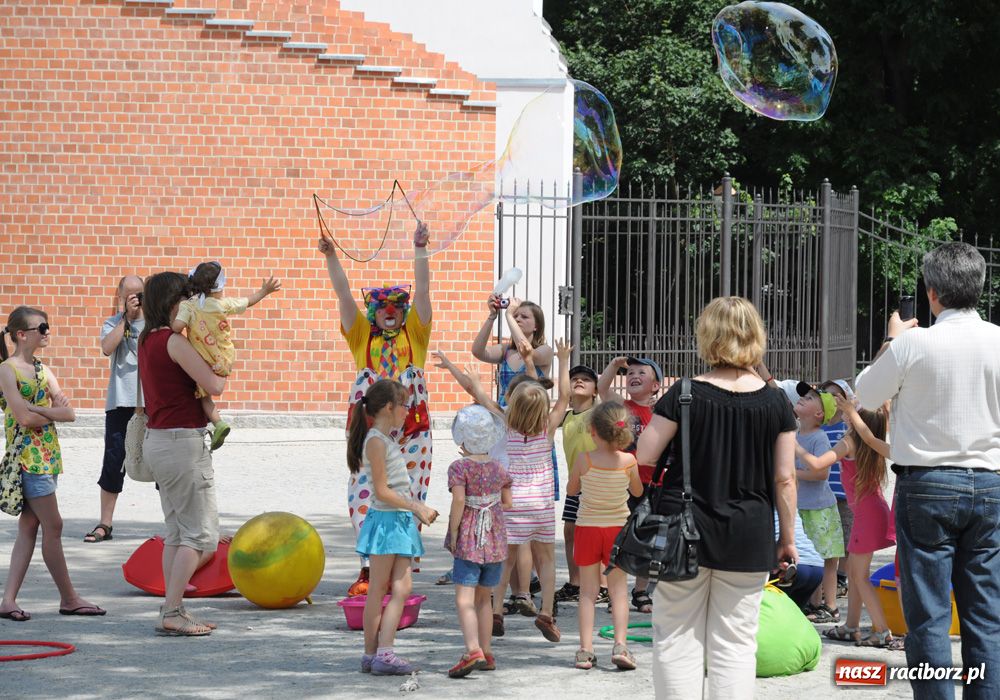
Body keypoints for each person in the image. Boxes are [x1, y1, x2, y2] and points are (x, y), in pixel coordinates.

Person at [856, 241, 1000, 700]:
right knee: (986, 616)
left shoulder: (914, 343)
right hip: (991, 480)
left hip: (928, 482)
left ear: (931, 292)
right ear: (979, 288)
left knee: (930, 617)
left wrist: (894, 340)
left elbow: (864, 392)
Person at [636, 296, 797, 699]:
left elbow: (645, 455)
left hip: (683, 531)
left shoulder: (684, 394)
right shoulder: (777, 402)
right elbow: (784, 479)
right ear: (755, 337)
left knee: (676, 636)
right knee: (736, 642)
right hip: (749, 531)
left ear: (706, 336)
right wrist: (788, 538)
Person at [319, 222, 434, 594]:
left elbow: (425, 292)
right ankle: (370, 569)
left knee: (410, 492)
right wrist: (331, 256)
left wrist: (420, 248)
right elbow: (342, 296)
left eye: (396, 307)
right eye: (382, 307)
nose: (390, 311)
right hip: (371, 430)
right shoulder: (360, 336)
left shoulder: (415, 333)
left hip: (412, 429)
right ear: (373, 312)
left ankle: (400, 567)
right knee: (364, 492)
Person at [435, 340, 572, 642]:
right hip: (541, 505)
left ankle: (496, 610)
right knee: (547, 559)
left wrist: (474, 382)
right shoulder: (547, 429)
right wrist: (563, 361)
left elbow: (483, 398)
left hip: (513, 505)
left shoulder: (507, 423)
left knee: (504, 560)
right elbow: (564, 396)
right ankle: (546, 611)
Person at [0, 307, 105, 622]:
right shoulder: (8, 370)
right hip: (29, 460)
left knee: (30, 527)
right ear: (22, 334)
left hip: (47, 458)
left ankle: (8, 601)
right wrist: (44, 409)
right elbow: (24, 417)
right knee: (54, 526)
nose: (47, 332)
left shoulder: (43, 370)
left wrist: (37, 408)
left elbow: (70, 414)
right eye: (41, 327)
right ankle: (69, 598)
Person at [139, 272, 226, 636]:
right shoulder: (173, 341)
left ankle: (172, 609)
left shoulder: (147, 340)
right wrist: (219, 350)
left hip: (159, 441)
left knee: (176, 532)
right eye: (185, 299)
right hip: (181, 443)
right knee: (199, 535)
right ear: (173, 303)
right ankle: (172, 610)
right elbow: (215, 384)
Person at [348, 379, 439, 676]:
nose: (407, 412)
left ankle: (376, 652)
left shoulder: (384, 440)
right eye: (404, 406)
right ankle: (378, 652)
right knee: (379, 589)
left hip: (397, 521)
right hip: (388, 521)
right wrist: (417, 507)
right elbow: (382, 490)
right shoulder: (375, 441)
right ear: (389, 407)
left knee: (401, 587)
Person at [797, 397, 898, 648]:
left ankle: (882, 630)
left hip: (866, 516)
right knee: (855, 574)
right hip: (873, 512)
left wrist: (794, 446)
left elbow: (818, 464)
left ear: (857, 419)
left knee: (858, 575)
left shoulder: (849, 441)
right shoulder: (866, 442)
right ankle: (851, 627)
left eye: (853, 409)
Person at [171, 262, 281, 451]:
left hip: (202, 360)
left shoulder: (188, 306)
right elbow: (247, 301)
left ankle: (218, 423)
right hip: (224, 358)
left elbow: (177, 328)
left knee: (203, 398)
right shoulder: (223, 304)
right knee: (206, 394)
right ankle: (215, 423)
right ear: (218, 287)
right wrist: (265, 291)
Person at [566, 401, 643, 671]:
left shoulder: (584, 460)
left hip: (587, 529)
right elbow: (636, 492)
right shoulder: (629, 461)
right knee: (619, 592)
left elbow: (572, 490)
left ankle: (585, 651)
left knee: (587, 593)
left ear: (593, 431)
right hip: (617, 532)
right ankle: (620, 646)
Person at [444, 405, 510, 678]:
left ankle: (472, 650)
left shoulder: (459, 467)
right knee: (485, 598)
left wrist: (454, 530)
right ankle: (487, 650)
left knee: (464, 599)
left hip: (471, 538)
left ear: (462, 438)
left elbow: (459, 499)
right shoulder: (498, 467)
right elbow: (507, 502)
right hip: (494, 539)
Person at [597, 355, 663, 613]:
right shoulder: (621, 406)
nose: (633, 375)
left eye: (642, 373)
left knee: (646, 540)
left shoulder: (661, 413)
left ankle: (640, 592)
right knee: (620, 540)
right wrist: (614, 365)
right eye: (630, 372)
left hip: (653, 485)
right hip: (622, 483)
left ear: (656, 386)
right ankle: (617, 595)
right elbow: (602, 388)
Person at [85, 275, 145, 543]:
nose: (135, 299)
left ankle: (175, 522)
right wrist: (126, 318)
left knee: (163, 461)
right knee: (113, 461)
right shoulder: (113, 323)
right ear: (120, 297)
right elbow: (107, 348)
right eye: (129, 295)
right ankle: (105, 524)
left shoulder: (156, 322)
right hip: (121, 401)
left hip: (151, 402)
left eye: (139, 294)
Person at [791, 383, 844, 624]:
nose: (803, 397)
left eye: (811, 397)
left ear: (819, 414)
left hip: (820, 508)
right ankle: (813, 604)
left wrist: (792, 473)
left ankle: (830, 605)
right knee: (810, 555)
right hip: (801, 507)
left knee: (827, 557)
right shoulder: (794, 434)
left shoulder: (818, 437)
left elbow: (821, 473)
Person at [554, 365, 599, 604]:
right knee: (569, 531)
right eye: (574, 379)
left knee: (594, 534)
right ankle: (575, 582)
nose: (579, 381)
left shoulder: (598, 413)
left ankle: (600, 585)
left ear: (595, 390)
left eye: (586, 380)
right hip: (575, 484)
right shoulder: (566, 416)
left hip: (596, 483)